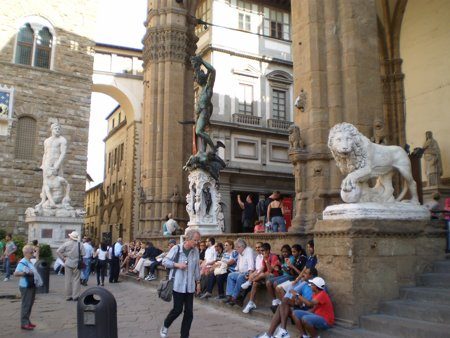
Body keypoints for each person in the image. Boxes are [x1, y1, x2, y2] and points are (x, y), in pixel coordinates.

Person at [160, 229, 201, 338]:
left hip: (190, 287)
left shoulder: (195, 251)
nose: (197, 243)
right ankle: (166, 324)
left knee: (189, 313)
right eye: (195, 240)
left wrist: (198, 282)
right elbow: (165, 261)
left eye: (198, 240)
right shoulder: (176, 248)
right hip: (178, 285)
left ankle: (184, 336)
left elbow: (197, 267)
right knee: (177, 310)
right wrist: (177, 265)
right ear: (188, 239)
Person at [255, 268, 317, 338]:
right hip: (301, 306)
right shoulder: (305, 284)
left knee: (283, 304)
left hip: (307, 310)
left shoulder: (317, 287)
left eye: (306, 273)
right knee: (284, 302)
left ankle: (275, 333)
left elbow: (311, 304)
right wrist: (296, 299)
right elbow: (293, 293)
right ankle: (277, 332)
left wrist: (297, 297)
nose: (303, 274)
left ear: (311, 276)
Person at [242, 242, 281, 314]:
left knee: (263, 275)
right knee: (255, 282)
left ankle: (249, 282)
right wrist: (255, 275)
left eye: (263, 250)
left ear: (268, 250)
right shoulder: (264, 257)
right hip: (265, 275)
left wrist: (266, 261)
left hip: (274, 275)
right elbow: (262, 269)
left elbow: (270, 270)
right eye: (261, 250)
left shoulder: (273, 257)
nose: (261, 252)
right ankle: (251, 303)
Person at [14, 245, 43, 330]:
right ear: (26, 253)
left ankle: (27, 321)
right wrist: (26, 273)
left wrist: (36, 252)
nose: (32, 253)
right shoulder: (23, 262)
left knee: (29, 305)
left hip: (30, 285)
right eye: (31, 252)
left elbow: (37, 260)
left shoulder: (29, 261)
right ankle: (24, 323)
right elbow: (15, 273)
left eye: (32, 252)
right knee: (26, 305)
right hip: (25, 286)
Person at [191, 55, 216, 154]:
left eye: (199, 75)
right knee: (202, 132)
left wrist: (202, 61)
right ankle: (203, 151)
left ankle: (213, 147)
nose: (197, 79)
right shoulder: (201, 90)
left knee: (199, 131)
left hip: (205, 110)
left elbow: (213, 70)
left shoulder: (208, 85)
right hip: (200, 112)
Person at [224, 238, 255, 306]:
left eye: (237, 248)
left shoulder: (249, 251)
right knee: (230, 275)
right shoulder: (240, 252)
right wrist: (236, 271)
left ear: (242, 246)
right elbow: (238, 265)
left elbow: (251, 265)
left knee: (240, 277)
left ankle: (234, 297)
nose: (236, 250)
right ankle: (229, 295)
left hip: (248, 273)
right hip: (241, 272)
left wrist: (250, 276)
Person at [56, 231, 85, 301]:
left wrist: (63, 258)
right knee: (76, 279)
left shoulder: (66, 244)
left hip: (68, 262)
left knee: (68, 280)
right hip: (77, 263)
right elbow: (83, 254)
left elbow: (58, 251)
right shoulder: (80, 244)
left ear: (70, 237)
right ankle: (75, 296)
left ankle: (68, 296)